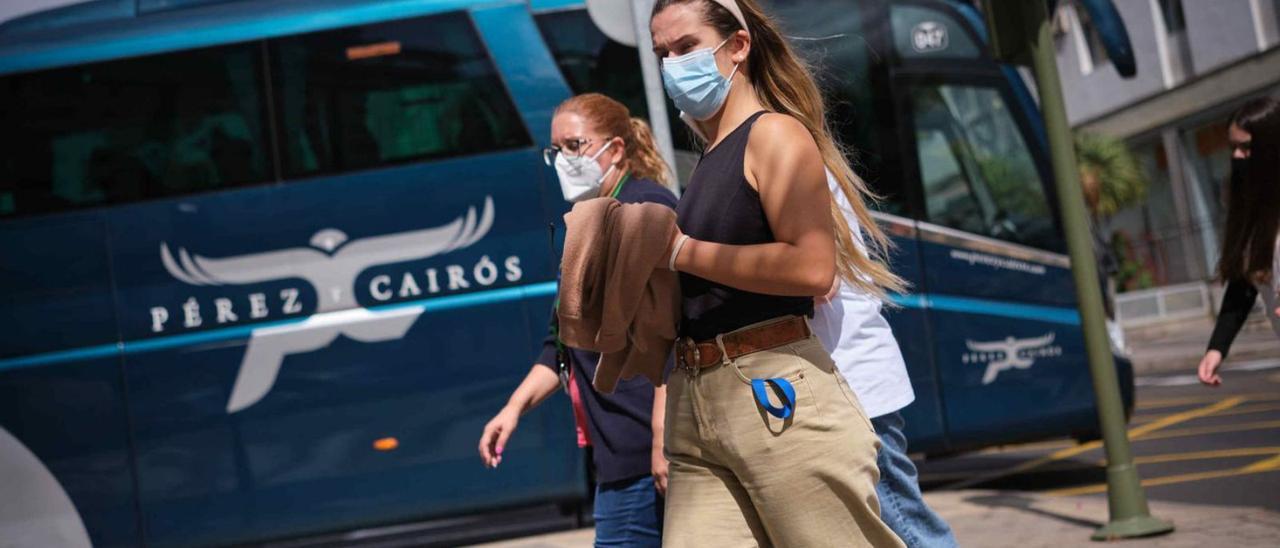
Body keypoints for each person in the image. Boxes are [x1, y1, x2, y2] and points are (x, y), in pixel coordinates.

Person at [651, 0, 905, 545]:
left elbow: (814, 269)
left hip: (773, 393)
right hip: (700, 400)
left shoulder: (775, 136)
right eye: (662, 54)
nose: (672, 65)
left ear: (738, 45)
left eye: (686, 47)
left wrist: (681, 252)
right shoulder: (709, 158)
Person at [478, 93, 676, 547]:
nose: (563, 160)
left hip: (645, 453)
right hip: (617, 454)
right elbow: (559, 345)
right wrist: (513, 409)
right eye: (556, 150)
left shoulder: (644, 209)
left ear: (617, 149)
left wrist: (663, 440)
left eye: (575, 146)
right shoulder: (586, 220)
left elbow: (671, 334)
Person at [814, 170, 958, 547]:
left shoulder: (795, 161)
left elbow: (818, 280)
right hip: (844, 381)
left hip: (855, 384)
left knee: (907, 526)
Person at [1198, 96, 1280, 387]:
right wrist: (1217, 348)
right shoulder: (1252, 213)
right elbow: (1243, 285)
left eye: (1246, 148)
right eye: (1232, 148)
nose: (1237, 157)